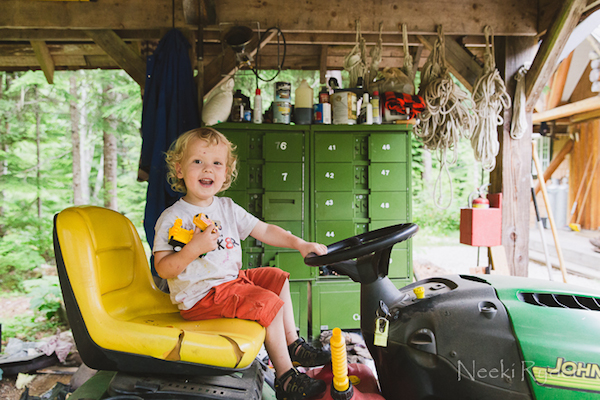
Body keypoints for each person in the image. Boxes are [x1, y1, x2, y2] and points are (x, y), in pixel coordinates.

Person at [153, 127, 330, 400]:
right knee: (266, 301)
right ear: (179, 169)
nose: (207, 169)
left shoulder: (226, 208)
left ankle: (292, 344)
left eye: (216, 163)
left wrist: (300, 244)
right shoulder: (173, 216)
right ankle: (286, 378)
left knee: (276, 277)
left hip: (229, 283)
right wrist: (194, 248)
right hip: (201, 297)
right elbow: (163, 269)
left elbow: (266, 230)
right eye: (197, 161)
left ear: (226, 174)